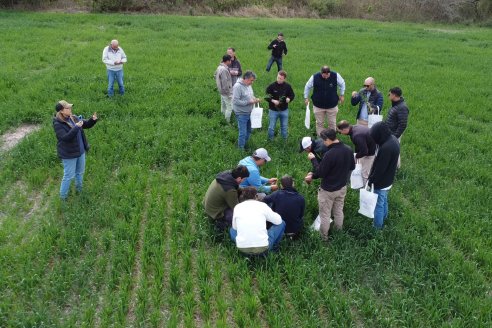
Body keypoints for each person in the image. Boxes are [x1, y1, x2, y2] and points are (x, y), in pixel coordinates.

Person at [304, 129, 355, 240]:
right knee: (338, 211)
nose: (323, 142)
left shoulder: (329, 154)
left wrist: (313, 160)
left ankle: (324, 238)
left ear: (328, 139)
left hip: (327, 190)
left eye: (324, 140)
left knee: (325, 214)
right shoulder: (348, 149)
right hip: (342, 187)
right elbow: (352, 167)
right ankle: (338, 232)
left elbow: (320, 172)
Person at [53, 100, 98, 200]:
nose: (70, 109)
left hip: (80, 151)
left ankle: (79, 191)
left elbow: (85, 124)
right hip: (69, 154)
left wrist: (92, 120)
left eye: (70, 107)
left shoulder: (73, 118)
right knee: (68, 176)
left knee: (80, 173)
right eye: (67, 108)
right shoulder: (58, 124)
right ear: (61, 111)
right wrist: (76, 127)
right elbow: (65, 138)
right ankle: (63, 198)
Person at [230, 187, 286, 256]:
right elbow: (279, 221)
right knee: (282, 223)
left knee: (232, 230)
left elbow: (235, 227)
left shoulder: (237, 207)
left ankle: (244, 245)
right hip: (263, 248)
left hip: (242, 249)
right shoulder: (262, 206)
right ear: (256, 196)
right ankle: (273, 249)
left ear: (242, 196)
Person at [367, 122, 400, 229]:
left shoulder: (386, 148)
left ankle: (377, 227)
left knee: (378, 205)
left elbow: (380, 169)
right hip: (389, 179)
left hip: (381, 182)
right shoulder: (393, 139)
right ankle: (385, 217)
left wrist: (371, 181)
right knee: (384, 200)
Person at [203, 165, 250, 230]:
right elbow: (236, 208)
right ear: (239, 178)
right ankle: (221, 223)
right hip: (215, 212)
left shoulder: (226, 176)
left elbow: (236, 187)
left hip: (208, 206)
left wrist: (245, 190)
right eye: (244, 179)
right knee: (238, 217)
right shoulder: (229, 190)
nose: (244, 181)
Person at [304, 66, 346, 136]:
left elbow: (342, 84)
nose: (326, 77)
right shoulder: (314, 77)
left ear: (329, 73)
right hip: (318, 106)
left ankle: (331, 139)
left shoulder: (335, 75)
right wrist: (306, 97)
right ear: (321, 73)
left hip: (332, 106)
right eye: (324, 76)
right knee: (319, 124)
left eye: (328, 76)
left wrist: (342, 95)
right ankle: (321, 140)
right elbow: (307, 86)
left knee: (332, 123)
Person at [337, 120, 376, 185]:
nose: (341, 134)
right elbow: (359, 145)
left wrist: (356, 156)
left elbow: (364, 151)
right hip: (368, 147)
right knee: (360, 167)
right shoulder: (355, 127)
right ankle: (357, 181)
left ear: (344, 130)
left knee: (365, 172)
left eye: (340, 132)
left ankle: (365, 188)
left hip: (370, 153)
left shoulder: (356, 135)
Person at [232, 71, 261, 150]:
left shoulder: (248, 86)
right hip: (241, 113)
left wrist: (255, 99)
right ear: (246, 79)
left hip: (250, 112)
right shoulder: (237, 87)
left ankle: (244, 143)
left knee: (249, 130)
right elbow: (235, 101)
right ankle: (240, 149)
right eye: (251, 80)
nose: (252, 82)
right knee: (243, 132)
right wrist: (249, 102)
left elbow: (250, 95)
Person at [265, 70, 295, 140]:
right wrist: (273, 100)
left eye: (281, 78)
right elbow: (266, 96)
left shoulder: (288, 86)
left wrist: (289, 98)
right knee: (271, 127)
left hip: (284, 110)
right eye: (278, 77)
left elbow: (292, 95)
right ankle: (270, 141)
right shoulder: (271, 86)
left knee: (284, 127)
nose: (278, 79)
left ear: (284, 79)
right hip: (273, 110)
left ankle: (284, 141)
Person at [385, 87, 409, 168]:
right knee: (392, 150)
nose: (388, 96)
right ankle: (393, 166)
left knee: (395, 150)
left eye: (389, 94)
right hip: (390, 132)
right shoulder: (395, 104)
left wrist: (395, 137)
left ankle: (396, 167)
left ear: (394, 95)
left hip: (394, 134)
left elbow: (403, 124)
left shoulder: (402, 107)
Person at [214, 54, 233, 123]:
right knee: (230, 107)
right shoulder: (224, 69)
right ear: (227, 61)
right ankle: (227, 122)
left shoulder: (219, 67)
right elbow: (225, 83)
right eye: (230, 60)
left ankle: (222, 117)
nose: (231, 62)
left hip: (221, 90)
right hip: (225, 91)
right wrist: (228, 94)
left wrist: (218, 84)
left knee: (223, 105)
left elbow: (215, 75)